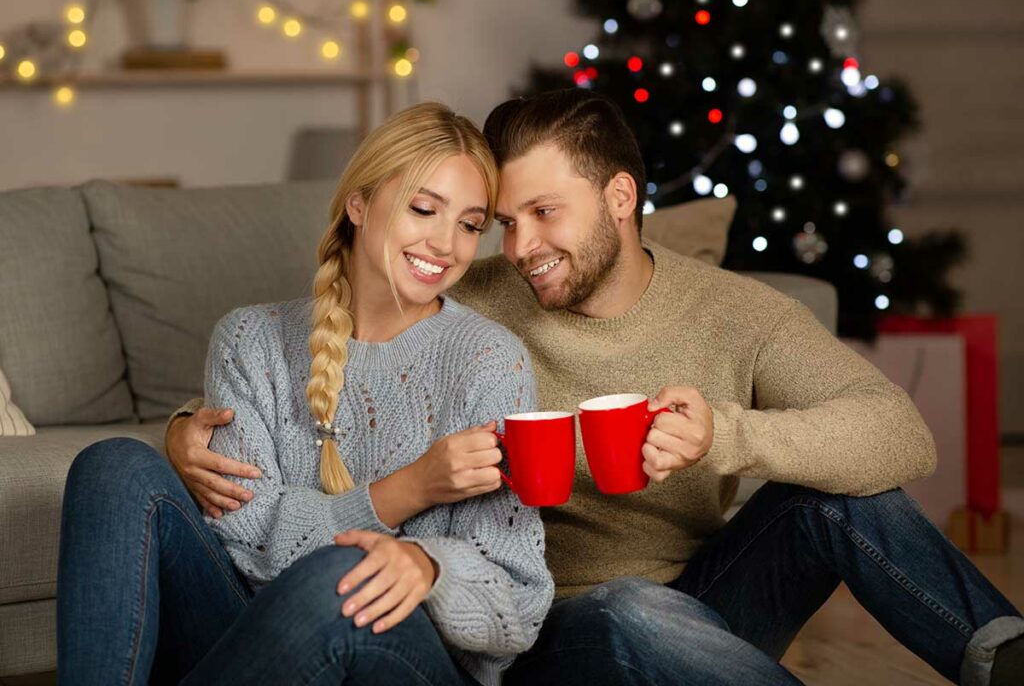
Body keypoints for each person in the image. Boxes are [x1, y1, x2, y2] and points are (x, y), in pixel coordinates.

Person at [167, 89, 1023, 686]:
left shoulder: (736, 312)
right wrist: (184, 429)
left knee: (837, 500)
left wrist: (730, 436)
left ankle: (1004, 656)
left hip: (707, 602)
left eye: (544, 213)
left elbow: (899, 432)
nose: (518, 243)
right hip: (544, 628)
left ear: (620, 197)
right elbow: (344, 324)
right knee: (629, 615)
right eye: (502, 222)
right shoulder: (473, 288)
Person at [57, 102, 554, 686]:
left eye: (470, 225)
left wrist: (429, 567)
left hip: (406, 660)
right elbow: (245, 546)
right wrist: (407, 490)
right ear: (359, 203)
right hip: (252, 639)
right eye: (424, 208)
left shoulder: (489, 361)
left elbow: (518, 604)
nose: (446, 244)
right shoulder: (250, 340)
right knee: (111, 465)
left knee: (344, 576)